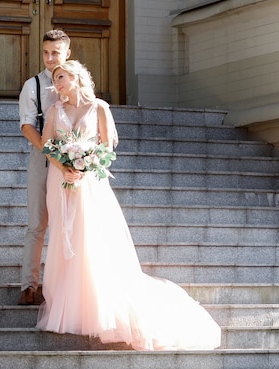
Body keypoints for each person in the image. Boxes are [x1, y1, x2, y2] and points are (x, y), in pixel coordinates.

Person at [36, 60, 222, 350]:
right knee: (65, 235)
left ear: (75, 77)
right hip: (59, 182)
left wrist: (84, 166)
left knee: (91, 237)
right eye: (55, 78)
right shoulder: (54, 110)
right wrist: (64, 167)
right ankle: (67, 305)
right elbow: (47, 145)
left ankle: (96, 305)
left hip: (89, 183)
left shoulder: (98, 107)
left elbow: (107, 146)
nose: (56, 82)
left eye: (60, 77)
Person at [17, 30, 71, 305]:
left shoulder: (75, 84)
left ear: (67, 54)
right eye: (46, 53)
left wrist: (74, 157)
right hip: (41, 156)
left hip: (73, 160)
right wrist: (50, 153)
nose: (50, 58)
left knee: (70, 224)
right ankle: (29, 286)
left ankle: (65, 287)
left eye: (55, 53)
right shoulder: (32, 85)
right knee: (37, 223)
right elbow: (27, 125)